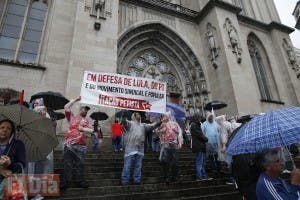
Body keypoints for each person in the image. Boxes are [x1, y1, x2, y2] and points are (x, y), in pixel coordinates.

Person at [60, 96, 93, 190]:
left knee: (80, 164)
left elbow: (92, 131)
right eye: (84, 109)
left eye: (87, 110)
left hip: (81, 146)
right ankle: (66, 182)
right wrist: (75, 100)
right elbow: (66, 107)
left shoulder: (87, 121)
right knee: (67, 164)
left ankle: (80, 181)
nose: (86, 111)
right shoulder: (72, 117)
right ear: (80, 109)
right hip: (69, 146)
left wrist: (83, 129)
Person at [120, 112, 161, 185]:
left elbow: (152, 126)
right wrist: (123, 115)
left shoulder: (143, 125)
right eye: (137, 114)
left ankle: (137, 180)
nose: (139, 115)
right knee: (127, 165)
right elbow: (124, 122)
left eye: (139, 114)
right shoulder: (130, 123)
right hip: (130, 147)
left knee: (138, 165)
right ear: (134, 116)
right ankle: (125, 181)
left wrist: (159, 121)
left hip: (140, 148)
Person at [0, 119, 26, 198]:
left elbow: (21, 165)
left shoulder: (18, 144)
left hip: (11, 184)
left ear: (12, 132)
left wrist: (10, 164)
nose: (5, 130)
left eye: (8, 128)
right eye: (2, 127)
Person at [157, 112, 183, 184]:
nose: (164, 117)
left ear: (168, 116)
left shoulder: (174, 123)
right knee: (166, 162)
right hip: (165, 145)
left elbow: (180, 132)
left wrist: (180, 142)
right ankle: (166, 178)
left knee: (175, 162)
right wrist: (161, 128)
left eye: (165, 116)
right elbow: (157, 132)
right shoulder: (162, 124)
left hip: (174, 144)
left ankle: (176, 177)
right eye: (163, 116)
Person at [190, 113, 209, 181]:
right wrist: (206, 138)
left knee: (202, 162)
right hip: (199, 146)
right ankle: (199, 176)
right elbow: (199, 134)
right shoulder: (194, 125)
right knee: (199, 162)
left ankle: (203, 175)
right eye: (199, 118)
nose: (200, 119)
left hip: (201, 146)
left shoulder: (196, 124)